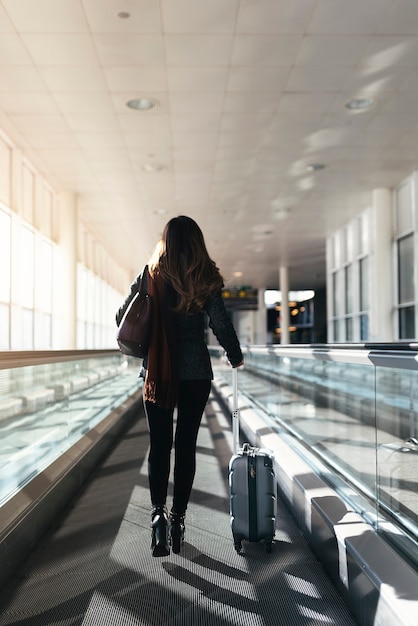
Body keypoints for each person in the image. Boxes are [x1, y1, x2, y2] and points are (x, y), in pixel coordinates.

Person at [116, 216, 244, 556]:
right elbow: (220, 323)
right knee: (185, 446)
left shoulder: (150, 274)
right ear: (197, 242)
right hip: (195, 375)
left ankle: (156, 518)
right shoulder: (206, 278)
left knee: (159, 446)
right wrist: (235, 355)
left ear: (166, 240)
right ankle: (178, 521)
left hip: (157, 372)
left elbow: (122, 316)